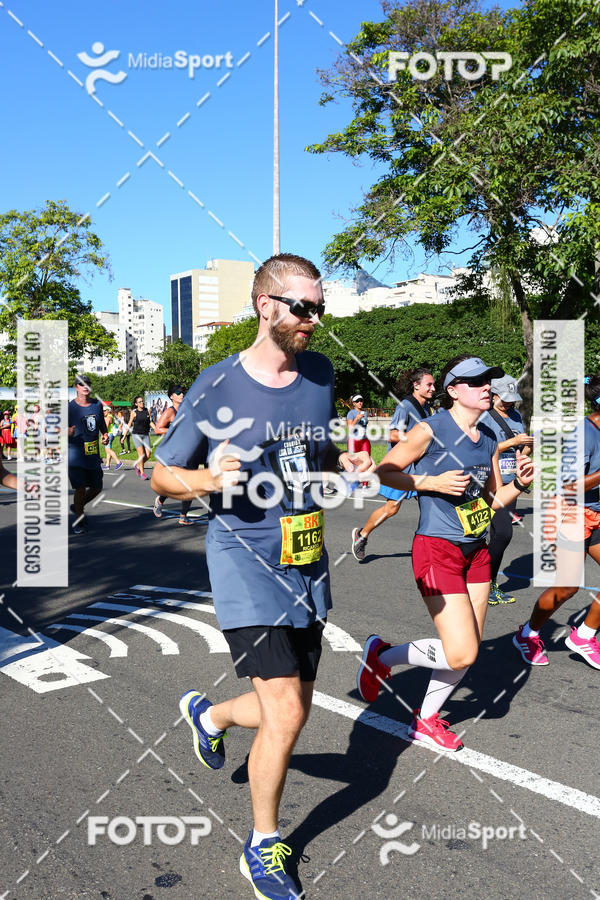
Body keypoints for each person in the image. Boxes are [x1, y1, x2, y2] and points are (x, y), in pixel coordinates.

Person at [152, 253, 372, 900]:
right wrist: (205, 480)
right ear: (265, 305)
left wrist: (346, 470)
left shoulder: (322, 375)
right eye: (302, 307)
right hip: (244, 564)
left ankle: (210, 715)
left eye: (319, 308)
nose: (312, 320)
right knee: (283, 711)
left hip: (306, 560)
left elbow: (318, 451)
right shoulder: (216, 385)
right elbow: (163, 474)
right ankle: (263, 845)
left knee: (293, 710)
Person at [356, 354, 534, 751]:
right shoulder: (429, 429)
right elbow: (385, 471)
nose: (486, 387)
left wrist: (520, 484)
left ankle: (426, 720)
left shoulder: (488, 438)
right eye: (476, 382)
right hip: (437, 549)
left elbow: (492, 500)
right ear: (453, 391)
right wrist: (430, 481)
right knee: (463, 649)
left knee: (465, 654)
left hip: (477, 552)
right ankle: (383, 656)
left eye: (488, 380)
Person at [513, 375, 600, 670]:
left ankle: (584, 635)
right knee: (568, 588)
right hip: (572, 512)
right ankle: (528, 633)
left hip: (596, 513)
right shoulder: (584, 434)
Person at [351, 368, 435, 561]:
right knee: (392, 508)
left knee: (431, 505)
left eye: (433, 384)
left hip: (422, 466)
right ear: (416, 385)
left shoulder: (427, 408)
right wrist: (416, 438)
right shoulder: (406, 406)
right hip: (402, 466)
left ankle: (427, 546)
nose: (432, 388)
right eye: (429, 384)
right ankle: (362, 535)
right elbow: (392, 434)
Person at [481, 374, 533, 605]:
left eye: (512, 398)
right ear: (493, 395)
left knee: (502, 534)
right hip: (486, 482)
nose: (510, 403)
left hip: (510, 483)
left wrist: (524, 454)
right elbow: (481, 447)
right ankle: (480, 583)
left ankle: (487, 583)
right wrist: (511, 443)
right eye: (505, 399)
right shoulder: (483, 416)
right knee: (480, 535)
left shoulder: (515, 416)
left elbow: (521, 448)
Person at [67, 375, 109, 534]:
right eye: (81, 384)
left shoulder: (97, 405)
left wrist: (104, 435)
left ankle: (77, 507)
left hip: (92, 454)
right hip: (75, 455)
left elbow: (102, 425)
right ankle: (79, 518)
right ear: (76, 387)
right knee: (80, 488)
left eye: (88, 384)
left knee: (97, 487)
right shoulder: (69, 408)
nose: (85, 386)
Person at [152, 385, 195, 525]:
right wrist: (172, 429)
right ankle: (160, 500)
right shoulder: (170, 411)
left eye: (183, 392)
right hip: (175, 452)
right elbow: (158, 429)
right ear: (171, 396)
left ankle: (183, 516)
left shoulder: (188, 410)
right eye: (178, 392)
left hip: (189, 451)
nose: (181, 394)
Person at [126, 395, 155, 480]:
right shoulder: (134, 412)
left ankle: (138, 465)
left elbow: (150, 422)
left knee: (148, 454)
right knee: (141, 454)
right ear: (136, 404)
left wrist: (156, 429)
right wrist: (124, 436)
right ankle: (142, 473)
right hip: (136, 435)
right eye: (140, 402)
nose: (142, 403)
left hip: (145, 434)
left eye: (142, 401)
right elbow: (130, 424)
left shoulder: (147, 410)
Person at [101, 405, 124, 471]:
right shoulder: (111, 416)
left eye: (104, 411)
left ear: (108, 411)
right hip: (111, 434)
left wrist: (103, 435)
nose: (103, 412)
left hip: (108, 434)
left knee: (108, 450)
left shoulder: (108, 417)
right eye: (103, 411)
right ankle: (107, 465)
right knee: (108, 450)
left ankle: (118, 462)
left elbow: (106, 427)